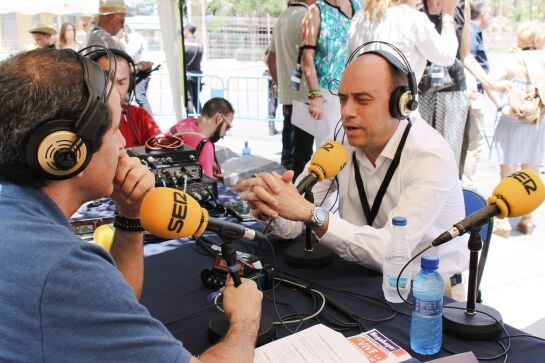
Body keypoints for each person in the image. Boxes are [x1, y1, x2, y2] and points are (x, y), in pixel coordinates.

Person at [0, 48, 262, 362]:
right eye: (113, 130)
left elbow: (117, 298)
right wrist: (245, 320)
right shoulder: (63, 269)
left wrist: (130, 213)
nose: (124, 143)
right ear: (65, 153)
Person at [239, 51, 469, 300]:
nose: (347, 112)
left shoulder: (429, 154)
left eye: (362, 100)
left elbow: (390, 251)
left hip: (429, 292)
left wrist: (310, 213)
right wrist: (273, 207)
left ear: (401, 104)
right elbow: (295, 222)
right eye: (343, 99)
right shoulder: (340, 142)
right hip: (362, 278)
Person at [491, 22, 545, 237]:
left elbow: (490, 82)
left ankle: (502, 218)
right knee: (531, 167)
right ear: (535, 39)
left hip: (513, 118)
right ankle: (527, 218)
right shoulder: (543, 58)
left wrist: (501, 105)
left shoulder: (509, 59)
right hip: (537, 119)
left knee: (508, 167)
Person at [348, 0, 459, 84]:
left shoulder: (359, 18)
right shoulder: (413, 19)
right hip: (397, 109)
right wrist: (448, 13)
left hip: (362, 106)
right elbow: (446, 56)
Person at [265, 0, 316, 178]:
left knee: (288, 156)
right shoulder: (308, 17)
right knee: (302, 158)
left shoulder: (282, 18)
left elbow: (269, 59)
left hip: (289, 98)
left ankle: (285, 194)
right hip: (307, 97)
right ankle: (295, 198)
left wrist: (282, 88)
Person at [301, 0, 361, 146]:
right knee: (330, 145)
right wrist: (315, 96)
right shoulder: (316, 11)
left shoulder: (357, 6)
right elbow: (307, 57)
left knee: (356, 147)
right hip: (329, 94)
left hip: (357, 92)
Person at [85, 0, 154, 114]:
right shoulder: (104, 39)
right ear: (112, 17)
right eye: (121, 21)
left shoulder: (93, 35)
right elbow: (116, 73)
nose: (122, 26)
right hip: (105, 104)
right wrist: (141, 67)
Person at [91, 49, 161, 148]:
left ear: (130, 85)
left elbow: (161, 143)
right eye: (107, 81)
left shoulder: (140, 116)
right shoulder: (77, 117)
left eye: (121, 82)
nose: (114, 89)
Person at [462, 0, 492, 189]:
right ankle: (467, 185)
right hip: (472, 94)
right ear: (483, 14)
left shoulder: (472, 32)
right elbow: (466, 60)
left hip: (470, 92)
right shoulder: (471, 32)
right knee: (474, 143)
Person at [168, 98, 234, 181]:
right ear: (219, 118)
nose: (224, 134)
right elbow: (208, 187)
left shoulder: (185, 122)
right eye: (227, 127)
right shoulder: (205, 145)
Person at [184, 23, 204, 115]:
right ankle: (202, 119)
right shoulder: (200, 43)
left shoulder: (185, 43)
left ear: (187, 30)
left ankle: (190, 121)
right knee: (196, 98)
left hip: (188, 75)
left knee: (189, 98)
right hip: (197, 75)